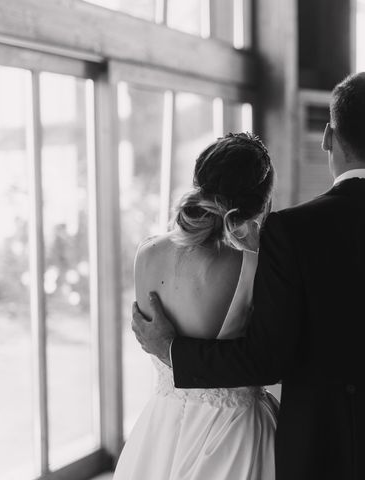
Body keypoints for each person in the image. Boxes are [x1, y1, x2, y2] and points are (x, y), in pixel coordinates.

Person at [133, 72, 365, 479]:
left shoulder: (290, 231)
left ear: (328, 137)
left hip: (326, 451)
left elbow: (266, 356)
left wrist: (173, 350)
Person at [114, 133, 278, 480]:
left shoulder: (147, 253)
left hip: (161, 430)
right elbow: (267, 359)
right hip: (233, 436)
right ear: (261, 204)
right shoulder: (255, 268)